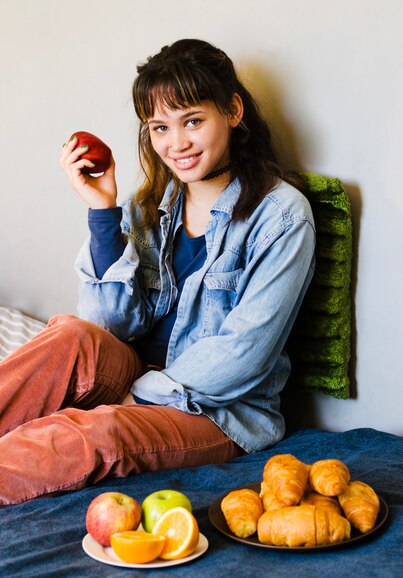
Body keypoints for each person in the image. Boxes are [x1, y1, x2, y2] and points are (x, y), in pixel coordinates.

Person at [0, 39, 315, 506]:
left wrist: (136, 394)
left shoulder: (283, 216)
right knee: (70, 337)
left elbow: (243, 354)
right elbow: (109, 324)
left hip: (217, 411)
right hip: (140, 372)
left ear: (232, 110)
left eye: (192, 121)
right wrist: (103, 210)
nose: (176, 144)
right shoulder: (151, 205)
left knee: (96, 431)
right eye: (160, 127)